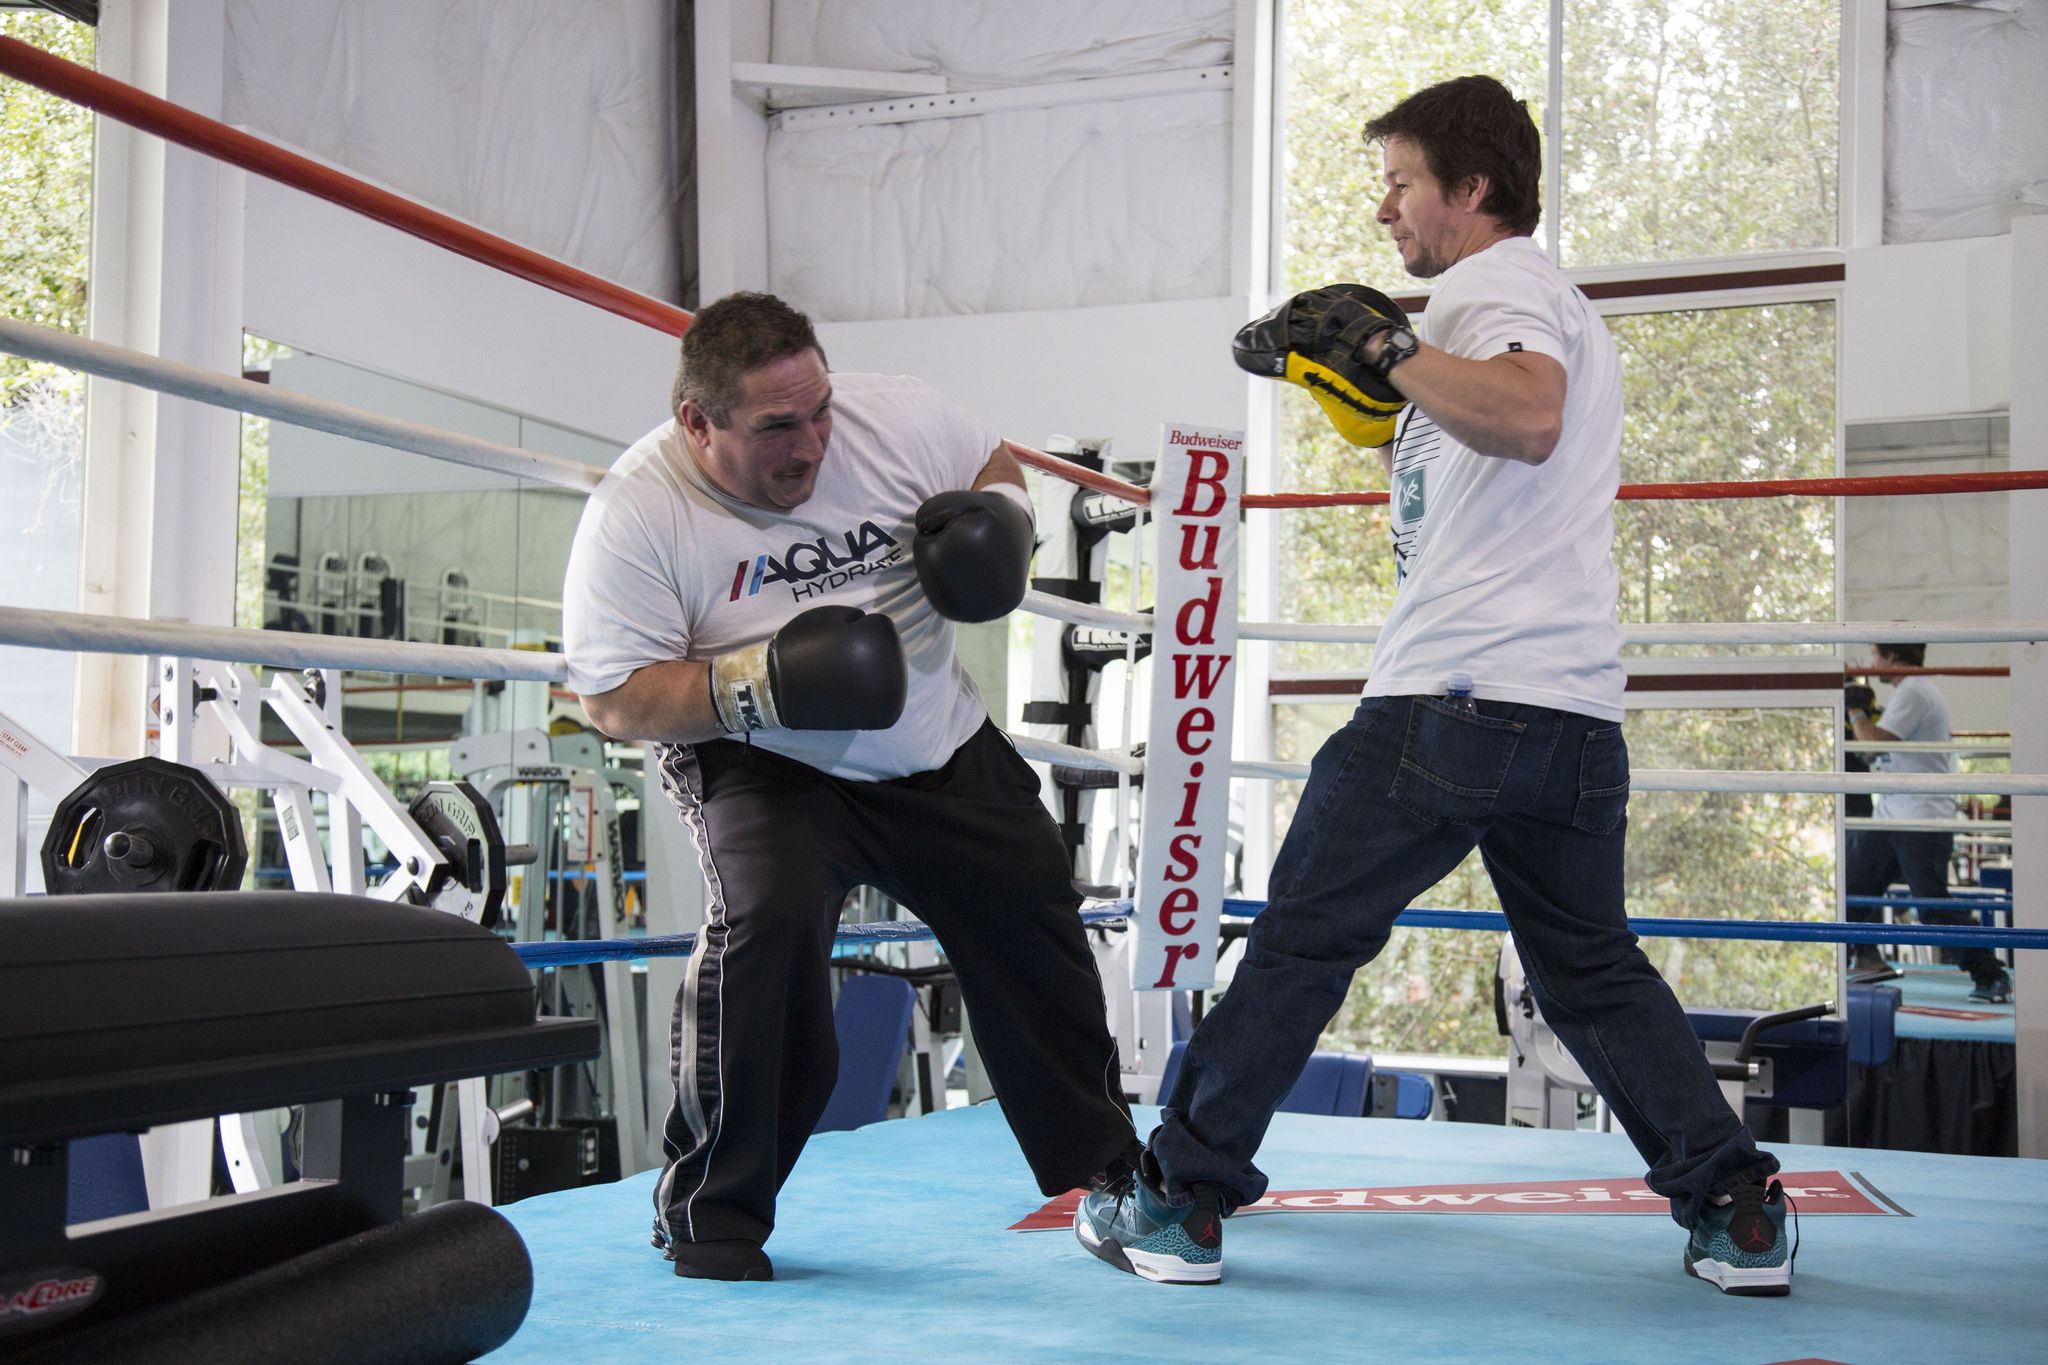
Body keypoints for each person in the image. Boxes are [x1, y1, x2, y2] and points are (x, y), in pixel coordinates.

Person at [1076, 75, 1793, 1295]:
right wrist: (1372, 373)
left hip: (1450, 699)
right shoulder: (1523, 304)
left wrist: (1386, 341)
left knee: (1303, 937)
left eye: (1402, 181)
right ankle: (1731, 1205)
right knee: (1588, 969)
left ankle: (1176, 1198)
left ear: (1469, 189)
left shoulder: (1492, 285)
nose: (1382, 209)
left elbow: (1524, 417)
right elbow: (1481, 434)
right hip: (1566, 714)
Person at [562, 291, 1139, 1282]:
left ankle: (1108, 1176)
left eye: (818, 410)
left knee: (1032, 911)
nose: (811, 444)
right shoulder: (636, 513)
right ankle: (712, 1211)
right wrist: (762, 683)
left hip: (933, 738)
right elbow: (614, 699)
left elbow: (988, 463)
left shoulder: (897, 414)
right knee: (767, 929)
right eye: (776, 427)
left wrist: (1000, 522)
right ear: (697, 422)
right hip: (767, 762)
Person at [1846, 643, 2012, 1001]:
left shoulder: (1916, 690)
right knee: (1852, 890)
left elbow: (1873, 744)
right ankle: (1867, 959)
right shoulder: (1909, 693)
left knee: (1933, 907)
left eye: (1876, 656)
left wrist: (1856, 710)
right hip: (1893, 816)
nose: (1874, 664)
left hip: (1920, 819)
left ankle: (1991, 975)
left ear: (1891, 657)